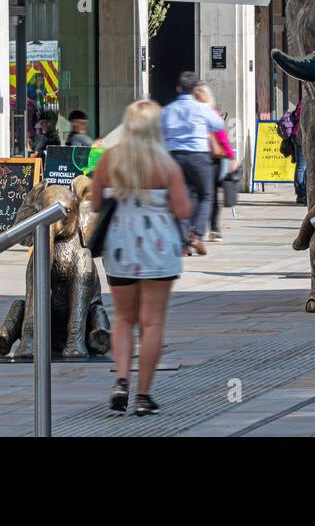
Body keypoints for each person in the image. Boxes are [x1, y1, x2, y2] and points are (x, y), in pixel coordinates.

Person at [90, 99, 191, 417]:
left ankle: (121, 380)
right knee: (152, 322)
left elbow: (94, 203)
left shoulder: (110, 158)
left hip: (121, 245)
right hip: (159, 248)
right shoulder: (167, 164)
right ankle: (144, 396)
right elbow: (184, 209)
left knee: (124, 318)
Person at [161, 71, 225, 257]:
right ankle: (196, 234)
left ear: (178, 88)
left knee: (180, 198)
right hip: (198, 156)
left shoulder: (168, 110)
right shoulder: (202, 109)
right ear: (195, 89)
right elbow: (218, 125)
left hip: (174, 157)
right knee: (206, 195)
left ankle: (183, 244)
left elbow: (160, 133)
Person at [192, 84, 235, 242]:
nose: (196, 98)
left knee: (206, 194)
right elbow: (222, 136)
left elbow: (222, 136)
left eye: (198, 95)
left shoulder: (203, 112)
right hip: (208, 157)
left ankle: (207, 229)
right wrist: (231, 156)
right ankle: (209, 230)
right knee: (208, 195)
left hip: (207, 157)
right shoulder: (209, 112)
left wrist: (230, 156)